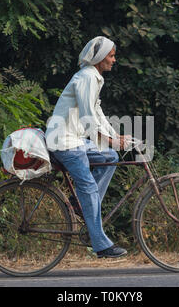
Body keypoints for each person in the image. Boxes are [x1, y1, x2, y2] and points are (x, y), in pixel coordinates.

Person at [45, 36, 131, 258]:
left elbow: (97, 112)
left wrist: (114, 136)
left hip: (75, 139)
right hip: (65, 142)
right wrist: (110, 140)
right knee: (89, 189)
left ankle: (81, 205)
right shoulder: (86, 77)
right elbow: (87, 117)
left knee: (110, 156)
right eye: (111, 56)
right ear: (101, 58)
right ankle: (101, 245)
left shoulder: (94, 77)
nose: (114, 60)